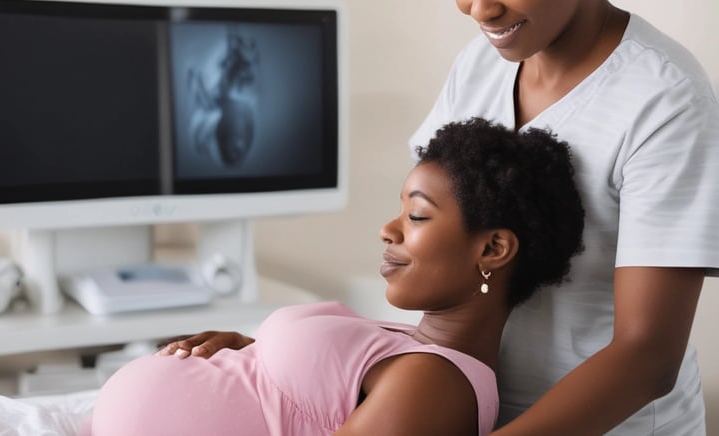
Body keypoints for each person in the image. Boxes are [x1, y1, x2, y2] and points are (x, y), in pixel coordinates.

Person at [162, 1, 719, 434]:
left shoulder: (663, 100)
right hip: (464, 409)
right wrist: (282, 368)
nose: (481, 11)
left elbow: (647, 355)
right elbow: (451, 278)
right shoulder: (481, 65)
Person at [85, 118, 585, 436]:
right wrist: (250, 352)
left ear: (493, 249)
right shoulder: (416, 350)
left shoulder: (439, 386)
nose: (388, 230)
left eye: (417, 216)